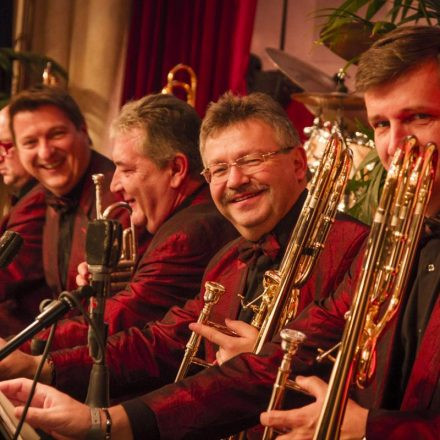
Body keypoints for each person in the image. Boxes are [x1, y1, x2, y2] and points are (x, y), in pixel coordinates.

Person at [0, 91, 369, 439]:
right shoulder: (228, 258)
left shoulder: (351, 247)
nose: (235, 180)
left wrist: (105, 421)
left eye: (252, 160)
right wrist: (40, 367)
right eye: (219, 169)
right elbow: (162, 341)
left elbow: (295, 374)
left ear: (299, 164)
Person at [2, 92, 237, 357]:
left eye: (126, 170)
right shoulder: (176, 217)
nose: (114, 185)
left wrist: (18, 350)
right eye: (30, 142)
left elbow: (119, 320)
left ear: (176, 169)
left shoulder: (188, 232)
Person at [8, 85, 132, 296]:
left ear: (83, 131)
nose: (45, 153)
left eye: (56, 134)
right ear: (18, 151)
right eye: (30, 143)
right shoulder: (39, 199)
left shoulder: (119, 195)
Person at [0, 106, 50, 336]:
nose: (0, 156)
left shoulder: (39, 199)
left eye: (6, 145)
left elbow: (7, 274)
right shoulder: (27, 197)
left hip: (27, 334)